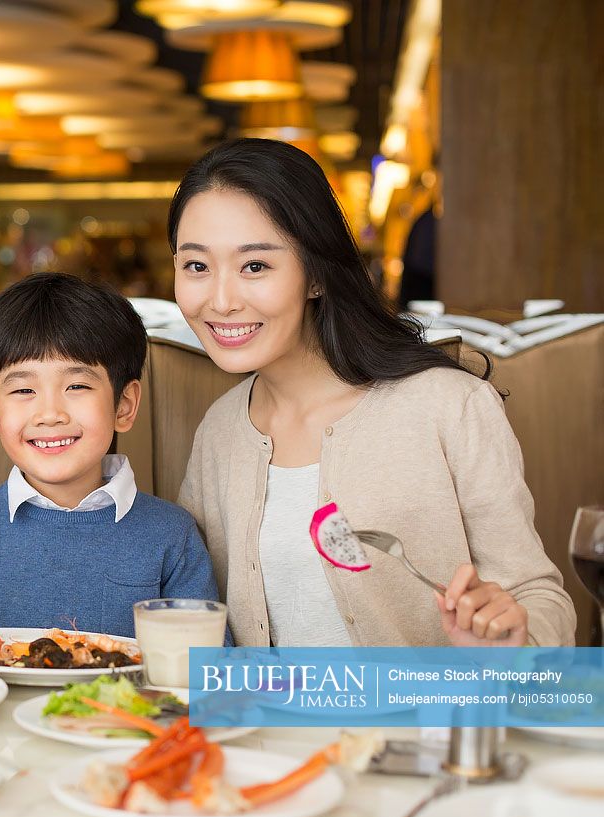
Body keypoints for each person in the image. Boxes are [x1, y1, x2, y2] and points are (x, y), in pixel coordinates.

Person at [170, 138, 574, 647]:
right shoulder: (221, 429)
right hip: (266, 726)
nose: (221, 300)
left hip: (420, 724)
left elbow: (539, 597)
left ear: (315, 274)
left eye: (255, 266)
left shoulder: (447, 407)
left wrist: (514, 637)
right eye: (196, 266)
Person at [0, 272, 222, 638]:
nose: (50, 413)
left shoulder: (171, 533)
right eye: (24, 389)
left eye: (77, 385)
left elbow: (207, 663)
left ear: (124, 404)